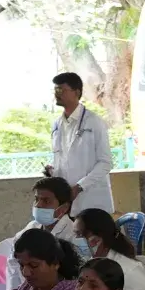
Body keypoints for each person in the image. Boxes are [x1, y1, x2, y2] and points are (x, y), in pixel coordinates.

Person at [46, 72, 114, 214]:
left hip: (92, 200)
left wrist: (79, 186)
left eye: (61, 90)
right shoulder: (58, 124)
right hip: (67, 203)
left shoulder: (94, 122)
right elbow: (66, 159)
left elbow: (105, 163)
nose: (57, 94)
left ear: (76, 92)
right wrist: (53, 170)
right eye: (55, 90)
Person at [75, 207, 145, 290]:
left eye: (79, 235)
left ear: (97, 239)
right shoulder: (90, 263)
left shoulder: (127, 269)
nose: (74, 239)